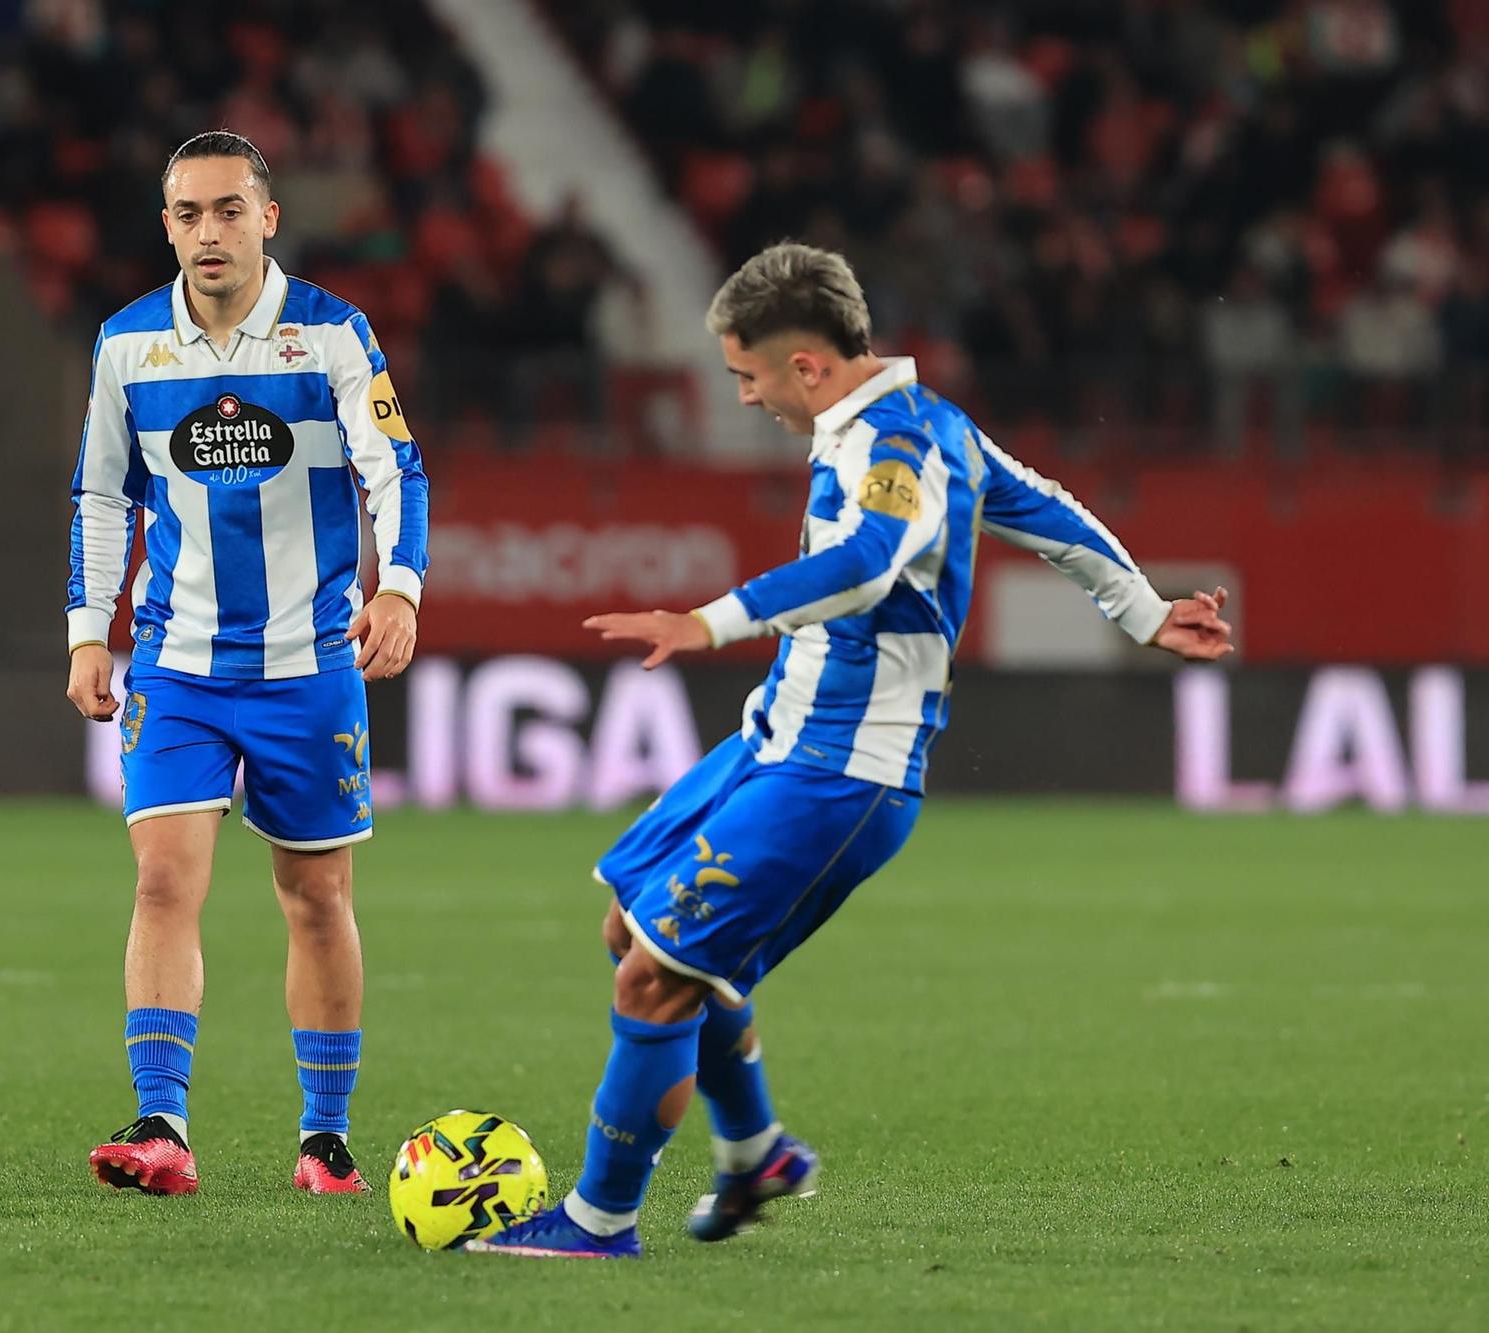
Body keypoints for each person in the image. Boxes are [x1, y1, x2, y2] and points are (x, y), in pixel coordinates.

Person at [469, 243, 1232, 1259]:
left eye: (745, 376)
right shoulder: (934, 429)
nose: (742, 398)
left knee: (653, 979)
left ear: (808, 368)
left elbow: (867, 564)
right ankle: (752, 1149)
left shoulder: (889, 447)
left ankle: (599, 1221)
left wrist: (709, 620)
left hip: (840, 773)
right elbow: (1039, 501)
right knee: (631, 928)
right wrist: (1141, 609)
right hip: (774, 739)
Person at [64, 131, 428, 1198]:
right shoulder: (128, 345)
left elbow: (392, 466)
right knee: (163, 878)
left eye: (228, 210)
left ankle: (323, 1138)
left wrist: (398, 584)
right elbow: (98, 495)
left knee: (314, 897)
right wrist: (91, 626)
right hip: (175, 665)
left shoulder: (331, 336)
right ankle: (161, 1123)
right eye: (187, 214)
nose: (208, 232)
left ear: (268, 218)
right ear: (166, 226)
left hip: (307, 665)